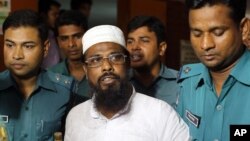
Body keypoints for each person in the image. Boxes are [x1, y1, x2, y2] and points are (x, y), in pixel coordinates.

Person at [64, 25, 190, 141]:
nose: (107, 66)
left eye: (115, 57)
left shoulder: (161, 113)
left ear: (128, 63)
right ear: (85, 69)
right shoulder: (75, 116)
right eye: (95, 60)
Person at [176, 0, 250, 140]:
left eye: (218, 32)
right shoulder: (188, 82)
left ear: (244, 28)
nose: (205, 45)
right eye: (197, 34)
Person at [0, 9, 75, 141]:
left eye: (28, 46)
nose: (17, 55)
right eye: (10, 45)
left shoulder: (66, 91)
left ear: (45, 48)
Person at [126, 16, 179, 107]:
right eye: (130, 41)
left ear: (161, 48)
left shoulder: (180, 84)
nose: (134, 47)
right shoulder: (119, 82)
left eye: (144, 41)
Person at [48, 10, 90, 99]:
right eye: (64, 39)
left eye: (77, 36)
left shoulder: (99, 72)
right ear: (58, 42)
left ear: (87, 36)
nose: (71, 44)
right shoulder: (50, 75)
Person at [38, 0, 62, 68]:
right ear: (43, 15)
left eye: (58, 14)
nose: (57, 17)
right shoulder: (38, 36)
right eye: (54, 14)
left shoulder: (53, 34)